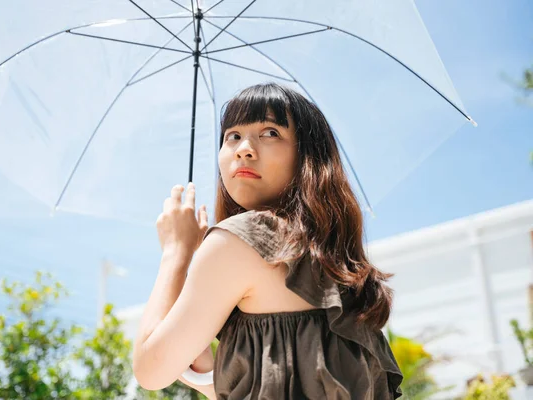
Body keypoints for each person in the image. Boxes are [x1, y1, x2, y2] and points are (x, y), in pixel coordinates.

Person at [132, 83, 403, 399]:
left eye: (270, 132)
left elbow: (150, 370)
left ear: (307, 154)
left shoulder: (240, 241)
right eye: (232, 136)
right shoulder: (338, 271)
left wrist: (175, 252)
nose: (244, 148)